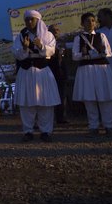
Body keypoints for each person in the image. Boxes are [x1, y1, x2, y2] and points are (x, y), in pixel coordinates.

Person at [12, 11, 60, 142]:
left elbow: (51, 51)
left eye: (31, 20)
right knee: (27, 103)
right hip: (26, 72)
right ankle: (28, 131)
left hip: (42, 72)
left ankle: (46, 131)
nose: (28, 22)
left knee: (45, 103)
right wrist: (24, 48)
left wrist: (40, 45)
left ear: (38, 20)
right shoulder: (21, 35)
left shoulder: (47, 35)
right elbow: (17, 54)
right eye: (26, 20)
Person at [72, 13, 112, 135]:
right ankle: (93, 127)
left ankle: (109, 126)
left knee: (105, 98)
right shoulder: (79, 38)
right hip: (86, 70)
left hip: (101, 69)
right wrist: (85, 55)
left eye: (93, 20)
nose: (91, 23)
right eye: (87, 21)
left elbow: (108, 52)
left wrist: (100, 53)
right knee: (89, 99)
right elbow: (74, 56)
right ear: (82, 23)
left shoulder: (101, 35)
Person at [47, 24, 69, 124]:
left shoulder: (62, 43)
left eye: (57, 30)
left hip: (61, 72)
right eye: (53, 30)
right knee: (49, 96)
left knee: (62, 95)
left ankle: (61, 117)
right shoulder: (46, 43)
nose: (55, 32)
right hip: (50, 71)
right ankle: (49, 118)